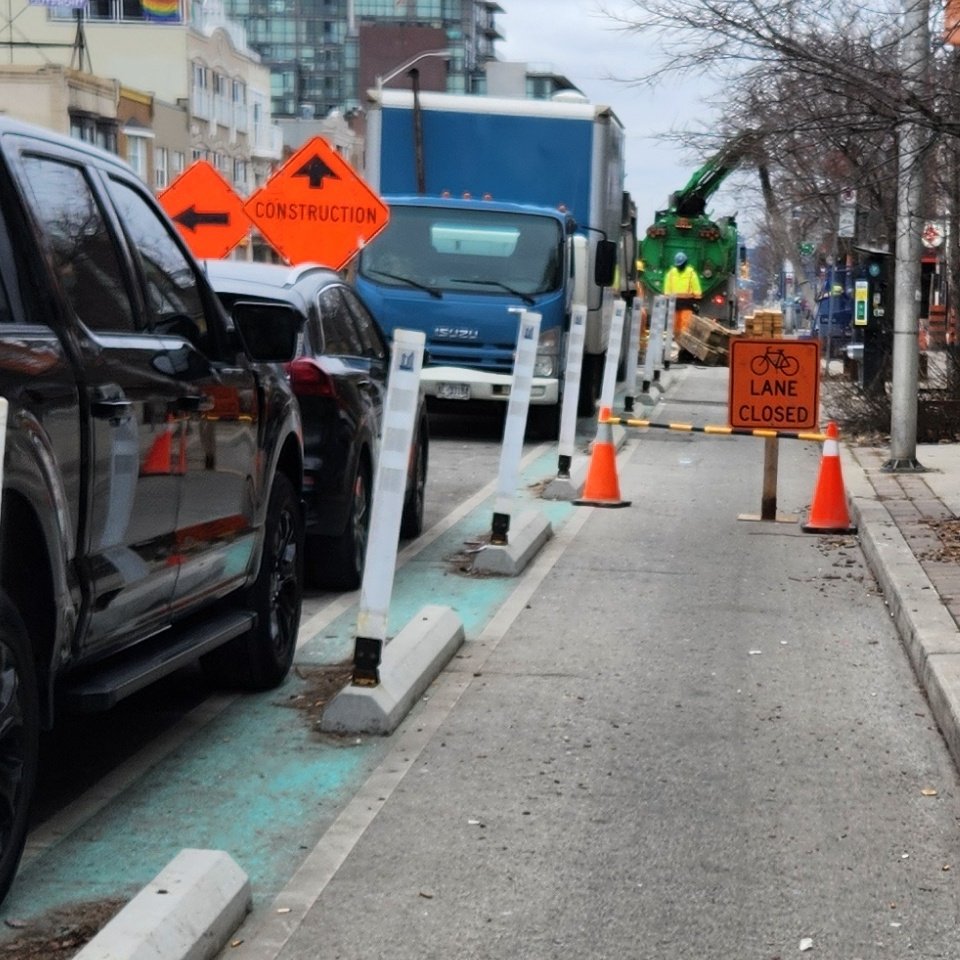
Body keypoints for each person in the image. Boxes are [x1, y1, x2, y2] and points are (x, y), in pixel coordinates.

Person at [662, 251, 702, 343]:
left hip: (679, 302)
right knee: (680, 323)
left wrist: (667, 298)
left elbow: (667, 290)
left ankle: (680, 340)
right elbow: (696, 289)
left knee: (680, 322)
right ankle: (680, 340)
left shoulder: (672, 273)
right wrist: (697, 298)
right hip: (684, 302)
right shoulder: (690, 273)